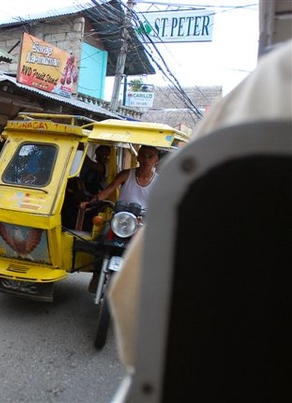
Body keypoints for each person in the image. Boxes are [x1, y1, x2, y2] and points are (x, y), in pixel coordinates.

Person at [108, 39, 292, 373]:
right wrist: (96, 199)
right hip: (124, 219)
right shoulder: (128, 173)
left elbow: (134, 315)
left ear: (156, 158)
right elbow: (112, 189)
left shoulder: (273, 78)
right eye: (142, 155)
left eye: (149, 155)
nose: (144, 159)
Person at [80, 145, 160, 212]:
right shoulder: (126, 174)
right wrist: (89, 203)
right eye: (143, 156)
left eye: (150, 156)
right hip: (121, 218)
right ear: (138, 158)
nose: (146, 160)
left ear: (156, 161)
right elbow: (107, 191)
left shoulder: (160, 182)